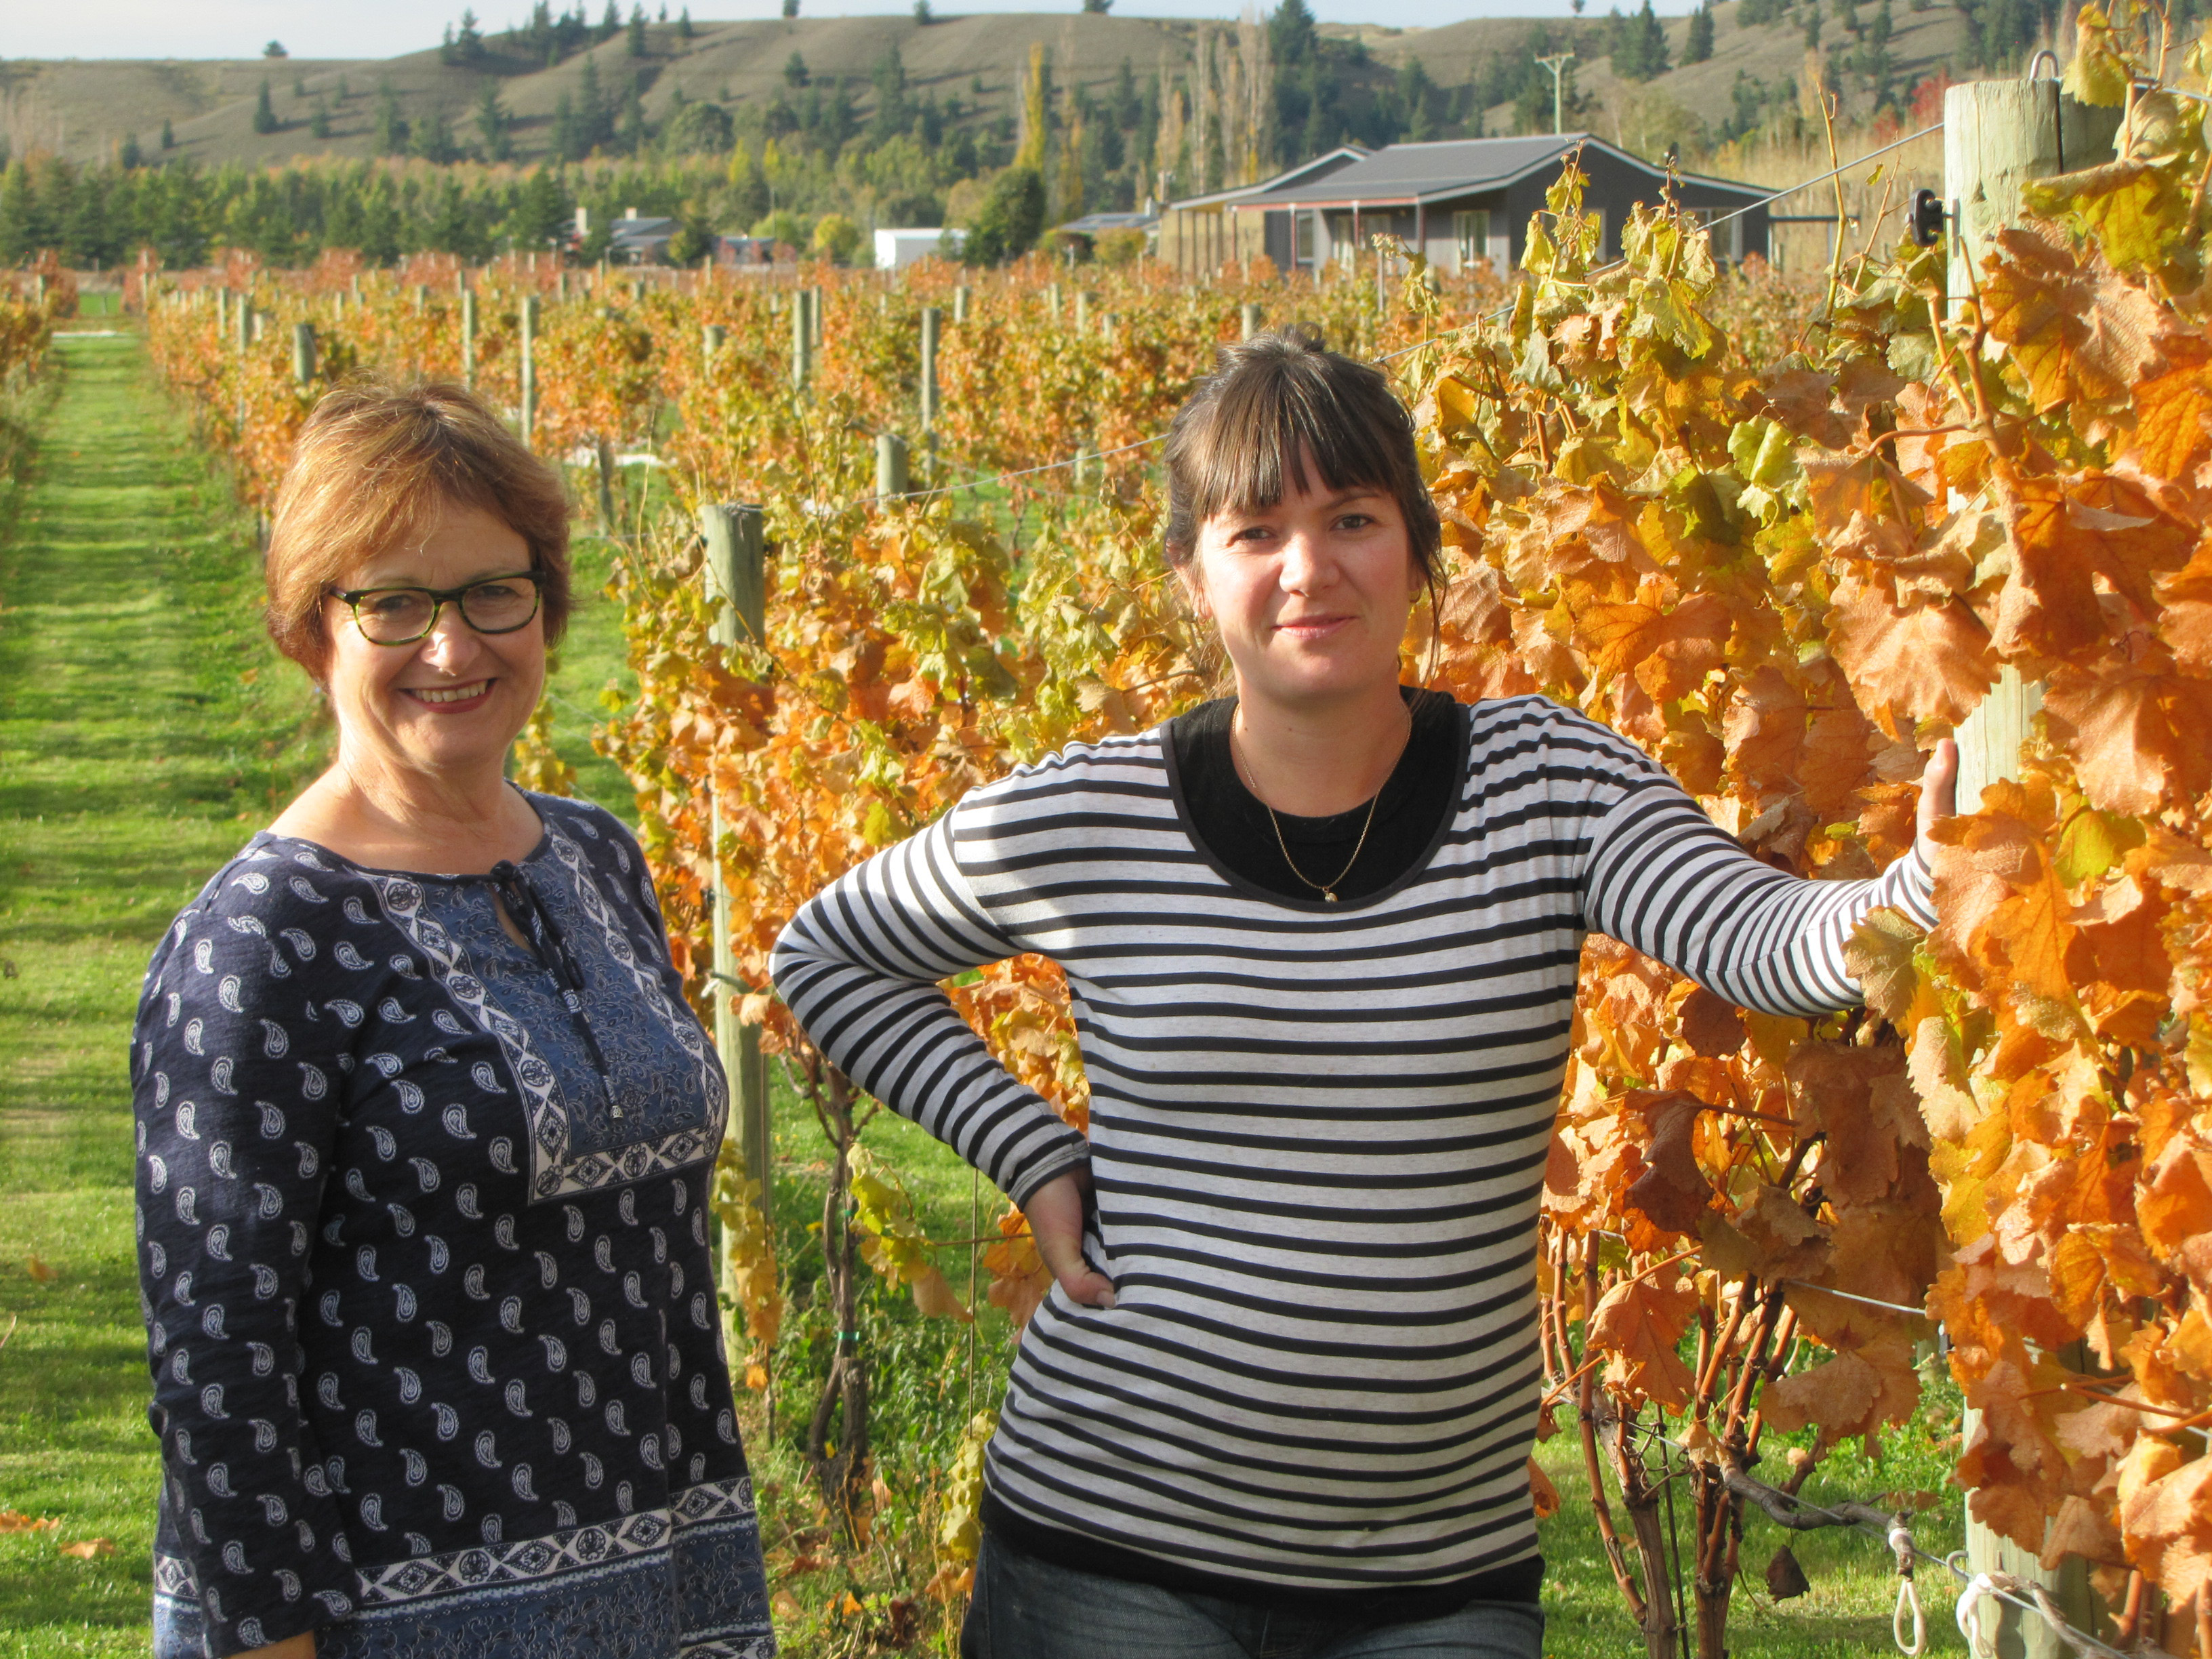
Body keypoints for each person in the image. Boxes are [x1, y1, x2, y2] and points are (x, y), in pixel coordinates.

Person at [772, 327, 1955, 1659]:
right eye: (1255, 531)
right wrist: (1033, 1153)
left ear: (1417, 553)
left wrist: (1916, 893)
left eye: (1352, 518)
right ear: (1191, 577)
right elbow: (823, 953)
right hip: (1107, 1555)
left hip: (1436, 1587)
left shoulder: (1547, 785)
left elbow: (1759, 937)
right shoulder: (1093, 815)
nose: (1309, 569)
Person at [135, 383, 773, 1659]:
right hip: (387, 1618)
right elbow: (220, 1365)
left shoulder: (595, 860)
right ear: (314, 628)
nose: (453, 647)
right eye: (394, 603)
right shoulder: (263, 940)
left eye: (495, 591)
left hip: (662, 1580)